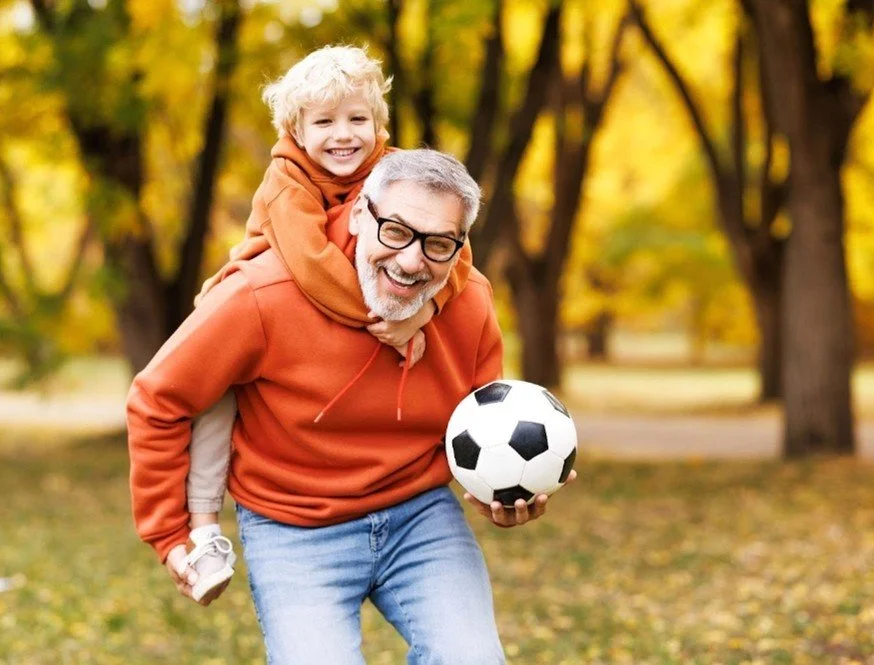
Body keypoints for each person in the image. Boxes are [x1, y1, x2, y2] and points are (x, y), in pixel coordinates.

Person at [128, 149, 573, 663]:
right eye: (397, 231)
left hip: (419, 516)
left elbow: (479, 426)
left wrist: (498, 492)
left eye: (438, 243)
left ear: (460, 245)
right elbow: (158, 398)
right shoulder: (262, 292)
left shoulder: (469, 301)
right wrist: (168, 532)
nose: (411, 261)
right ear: (361, 212)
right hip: (293, 525)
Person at [180, 45, 474, 603]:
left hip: (347, 308)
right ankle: (203, 532)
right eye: (324, 122)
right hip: (262, 307)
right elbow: (313, 266)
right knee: (217, 409)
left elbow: (458, 248)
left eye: (357, 119)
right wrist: (382, 317)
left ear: (380, 124)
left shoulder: (395, 173)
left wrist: (424, 310)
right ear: (295, 130)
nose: (344, 135)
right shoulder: (286, 180)